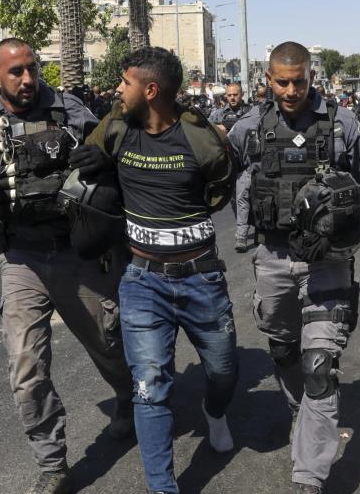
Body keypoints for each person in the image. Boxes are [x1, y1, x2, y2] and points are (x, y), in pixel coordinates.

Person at [0, 38, 133, 494]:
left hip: (76, 250)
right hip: (21, 258)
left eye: (32, 68)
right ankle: (52, 462)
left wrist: (103, 159)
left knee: (108, 344)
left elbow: (119, 162)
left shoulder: (70, 111)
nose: (28, 79)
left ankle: (128, 397)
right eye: (16, 72)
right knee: (26, 366)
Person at [228, 42, 360, 493]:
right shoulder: (249, 128)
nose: (290, 90)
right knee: (284, 350)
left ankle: (309, 477)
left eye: (299, 81)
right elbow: (215, 179)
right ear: (268, 79)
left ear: (311, 77)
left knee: (319, 364)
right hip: (273, 258)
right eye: (281, 81)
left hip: (328, 260)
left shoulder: (341, 124)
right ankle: (299, 410)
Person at [80, 46, 239, 494]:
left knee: (224, 371)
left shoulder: (201, 138)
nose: (117, 89)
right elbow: (84, 163)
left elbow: (222, 186)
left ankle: (215, 412)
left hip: (201, 279)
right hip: (142, 282)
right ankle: (161, 487)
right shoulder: (113, 128)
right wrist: (102, 168)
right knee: (150, 386)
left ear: (150, 90)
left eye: (125, 82)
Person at [209, 82, 252, 253]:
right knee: (233, 199)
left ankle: (241, 236)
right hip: (226, 164)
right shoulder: (217, 114)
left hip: (245, 163)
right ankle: (244, 224)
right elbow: (205, 133)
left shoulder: (250, 113)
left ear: (242, 94)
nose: (232, 97)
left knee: (242, 197)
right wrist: (217, 130)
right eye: (229, 95)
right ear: (225, 96)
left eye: (235, 94)